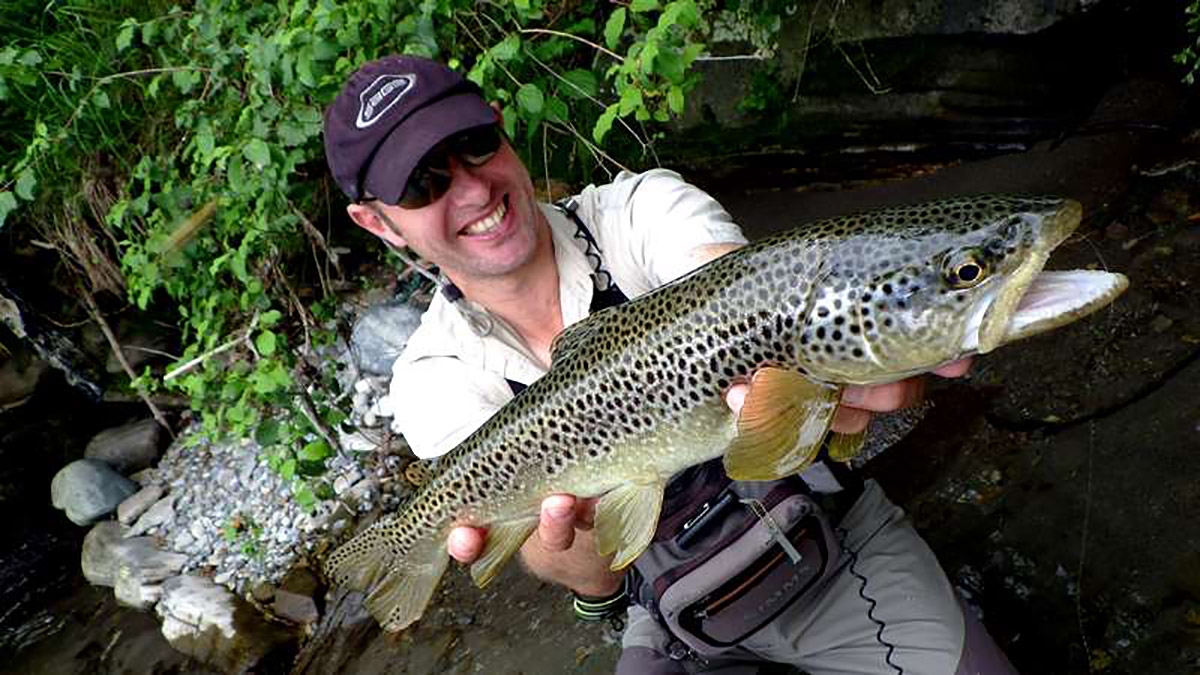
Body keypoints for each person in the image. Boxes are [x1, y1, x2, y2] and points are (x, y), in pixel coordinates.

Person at [323, 55, 1017, 674]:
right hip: (673, 612)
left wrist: (859, 345)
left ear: (502, 129)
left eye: (474, 146)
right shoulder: (430, 377)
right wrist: (579, 537)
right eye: (422, 183)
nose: (471, 189)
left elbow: (748, 292)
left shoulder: (641, 210)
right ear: (376, 222)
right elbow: (584, 579)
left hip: (830, 538)